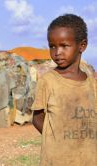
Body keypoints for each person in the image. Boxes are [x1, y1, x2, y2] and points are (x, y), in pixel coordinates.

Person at [32, 14, 97, 166]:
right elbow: (37, 118)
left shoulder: (92, 84)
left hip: (89, 158)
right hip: (58, 159)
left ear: (82, 46)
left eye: (64, 46)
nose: (57, 52)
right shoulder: (48, 81)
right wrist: (56, 140)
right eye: (52, 46)